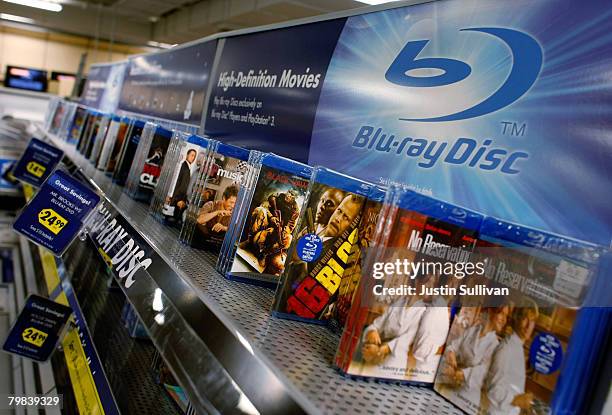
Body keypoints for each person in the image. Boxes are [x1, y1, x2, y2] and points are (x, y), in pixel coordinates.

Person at [439, 307, 509, 414]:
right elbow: (453, 346)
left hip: (467, 398)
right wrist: (451, 355)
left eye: (506, 316)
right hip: (451, 388)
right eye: (502, 313)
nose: (504, 320)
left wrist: (459, 373)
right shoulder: (473, 330)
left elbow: (482, 372)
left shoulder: (495, 346)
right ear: (490, 311)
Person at [486, 302, 539, 415]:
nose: (529, 325)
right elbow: (493, 390)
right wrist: (516, 400)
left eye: (532, 321)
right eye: (525, 318)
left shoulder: (518, 347)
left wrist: (523, 399)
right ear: (517, 319)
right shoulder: (506, 349)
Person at [245, 190, 300, 275]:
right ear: (287, 192)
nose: (289, 196)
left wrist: (283, 231)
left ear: (294, 199)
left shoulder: (295, 210)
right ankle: (249, 240)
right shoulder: (277, 197)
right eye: (289, 194)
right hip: (265, 223)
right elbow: (264, 206)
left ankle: (265, 254)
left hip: (278, 229)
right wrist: (271, 217)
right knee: (260, 210)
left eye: (292, 196)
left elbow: (291, 226)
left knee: (289, 238)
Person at [168, 149, 197, 219]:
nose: (193, 158)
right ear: (187, 155)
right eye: (192, 155)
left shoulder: (186, 167)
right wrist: (179, 200)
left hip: (177, 198)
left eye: (194, 156)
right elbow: (182, 186)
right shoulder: (185, 168)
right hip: (178, 199)